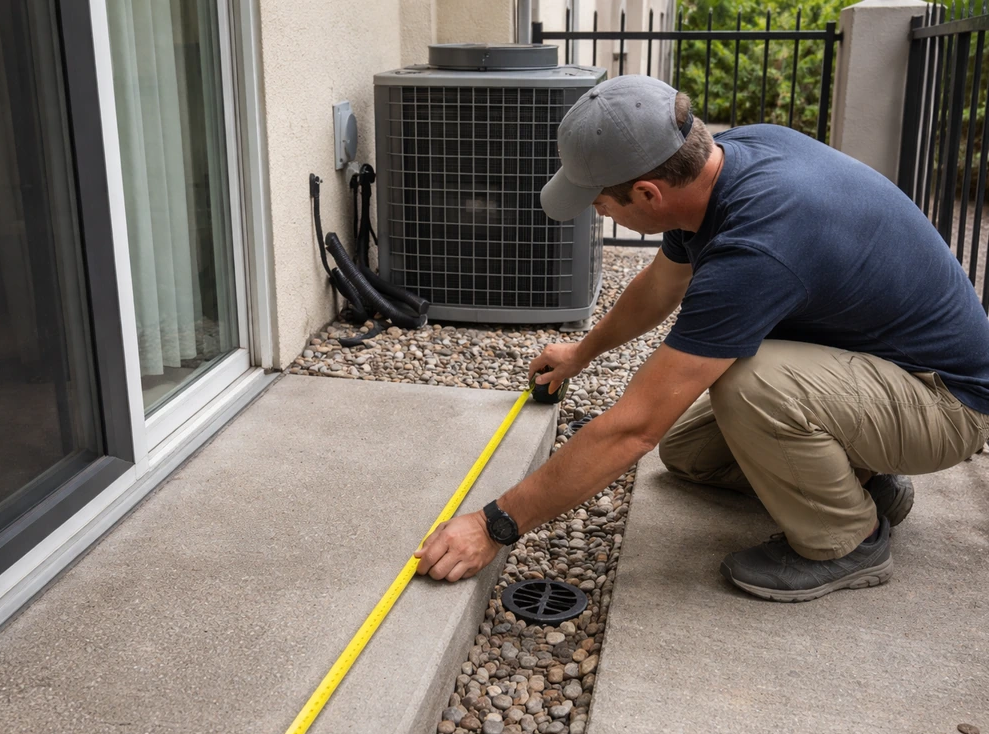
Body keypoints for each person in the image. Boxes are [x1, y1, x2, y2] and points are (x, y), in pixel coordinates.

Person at [414, 74, 989, 602]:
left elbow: (634, 427)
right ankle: (863, 481)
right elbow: (660, 286)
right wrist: (580, 353)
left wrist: (493, 524)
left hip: (945, 403)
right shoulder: (728, 159)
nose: (598, 212)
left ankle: (849, 539)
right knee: (688, 455)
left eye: (599, 201)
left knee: (746, 383)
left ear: (647, 195)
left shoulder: (755, 248)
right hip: (880, 372)